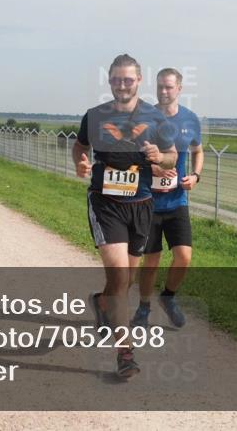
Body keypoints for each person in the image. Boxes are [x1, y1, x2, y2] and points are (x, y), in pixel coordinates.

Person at [72, 54, 176, 379]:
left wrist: (162, 156)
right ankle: (125, 353)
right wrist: (81, 162)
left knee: (126, 281)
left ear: (139, 81)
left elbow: (172, 157)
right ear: (109, 81)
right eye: (116, 79)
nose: (121, 85)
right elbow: (79, 146)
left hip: (142, 204)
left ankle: (103, 302)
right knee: (119, 275)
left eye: (128, 80)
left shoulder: (155, 118)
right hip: (105, 203)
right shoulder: (95, 116)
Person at [132, 68, 203, 329]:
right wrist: (154, 168)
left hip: (177, 201)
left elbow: (198, 151)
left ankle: (168, 297)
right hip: (148, 202)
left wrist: (195, 176)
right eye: (160, 86)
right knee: (151, 260)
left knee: (184, 256)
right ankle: (143, 307)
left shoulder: (190, 119)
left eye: (169, 87)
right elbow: (132, 156)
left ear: (179, 89)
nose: (163, 91)